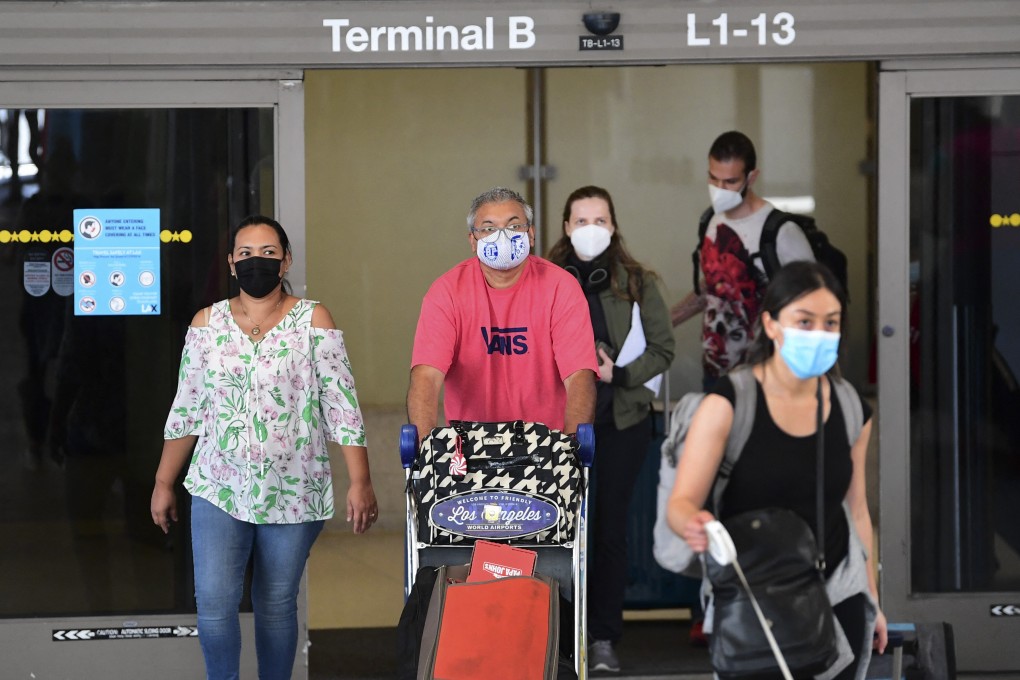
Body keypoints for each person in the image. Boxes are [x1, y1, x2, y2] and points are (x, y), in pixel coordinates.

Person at [150, 215, 378, 680]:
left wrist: (360, 480)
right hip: (219, 486)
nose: (258, 262)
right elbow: (188, 408)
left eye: (269, 253)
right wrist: (163, 482)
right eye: (247, 254)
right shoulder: (206, 323)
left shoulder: (314, 319)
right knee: (214, 603)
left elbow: (341, 404)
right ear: (232, 263)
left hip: (295, 489)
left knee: (276, 603)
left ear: (286, 260)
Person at [667, 261, 888, 680]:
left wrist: (873, 599)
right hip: (754, 603)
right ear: (770, 324)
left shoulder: (850, 406)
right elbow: (681, 504)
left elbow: (857, 511)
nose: (819, 334)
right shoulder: (729, 403)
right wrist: (693, 523)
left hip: (838, 594)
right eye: (804, 321)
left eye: (831, 323)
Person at [546, 185, 675, 673]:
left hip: (621, 422)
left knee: (609, 531)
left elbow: (663, 349)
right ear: (565, 228)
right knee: (560, 529)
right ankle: (559, 634)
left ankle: (602, 638)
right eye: (581, 221)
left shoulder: (638, 282)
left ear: (614, 225)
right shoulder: (546, 280)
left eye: (600, 220)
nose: (591, 230)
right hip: (560, 426)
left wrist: (616, 374)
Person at [407, 186, 598, 436]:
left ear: (530, 235)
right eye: (488, 228)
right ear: (472, 241)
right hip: (470, 449)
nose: (502, 237)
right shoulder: (447, 292)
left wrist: (572, 449)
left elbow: (579, 377)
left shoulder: (561, 288)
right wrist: (425, 454)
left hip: (546, 449)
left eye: (514, 226)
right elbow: (426, 378)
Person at [671, 130, 815, 388]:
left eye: (730, 181)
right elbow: (713, 287)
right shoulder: (711, 221)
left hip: (768, 376)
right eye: (713, 179)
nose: (719, 190)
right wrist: (666, 321)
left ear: (751, 177)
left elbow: (813, 303)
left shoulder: (780, 232)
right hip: (716, 371)